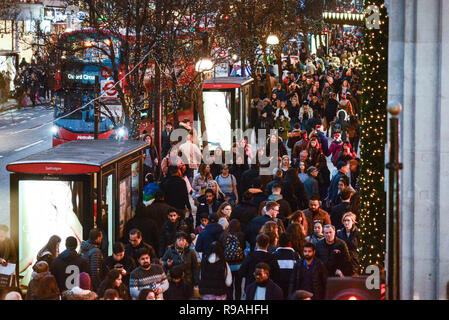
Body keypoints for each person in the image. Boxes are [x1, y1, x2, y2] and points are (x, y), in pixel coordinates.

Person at [220, 219, 245, 300]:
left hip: (228, 264)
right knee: (238, 285)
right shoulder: (241, 235)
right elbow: (243, 247)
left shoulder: (224, 235)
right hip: (239, 264)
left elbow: (221, 248)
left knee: (229, 284)